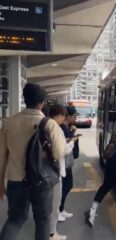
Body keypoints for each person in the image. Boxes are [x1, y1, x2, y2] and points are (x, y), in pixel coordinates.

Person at [0, 84, 66, 240]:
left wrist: (0, 184)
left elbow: (1, 155)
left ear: (25, 100)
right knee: (43, 221)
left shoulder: (9, 122)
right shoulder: (49, 124)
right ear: (42, 103)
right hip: (41, 180)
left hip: (16, 180)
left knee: (15, 220)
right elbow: (58, 153)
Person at [48, 104, 78, 240]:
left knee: (48, 206)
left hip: (46, 170)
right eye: (63, 116)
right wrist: (71, 143)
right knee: (53, 206)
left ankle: (49, 232)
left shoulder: (44, 124)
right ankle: (52, 234)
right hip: (55, 170)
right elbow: (61, 150)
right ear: (60, 115)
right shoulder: (55, 127)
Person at [58, 106, 78, 221]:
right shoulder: (62, 128)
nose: (75, 118)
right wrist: (73, 139)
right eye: (74, 116)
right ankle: (59, 210)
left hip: (67, 162)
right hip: (64, 162)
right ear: (67, 116)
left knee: (67, 185)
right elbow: (65, 145)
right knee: (66, 185)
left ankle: (61, 209)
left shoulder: (66, 127)